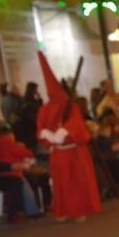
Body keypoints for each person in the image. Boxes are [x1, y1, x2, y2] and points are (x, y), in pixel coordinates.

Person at [35, 52, 101, 222]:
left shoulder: (71, 107)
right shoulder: (45, 109)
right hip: (58, 152)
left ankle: (79, 210)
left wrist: (64, 131)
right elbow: (40, 128)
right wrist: (49, 135)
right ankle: (62, 211)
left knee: (76, 182)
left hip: (74, 151)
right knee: (61, 184)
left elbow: (76, 125)